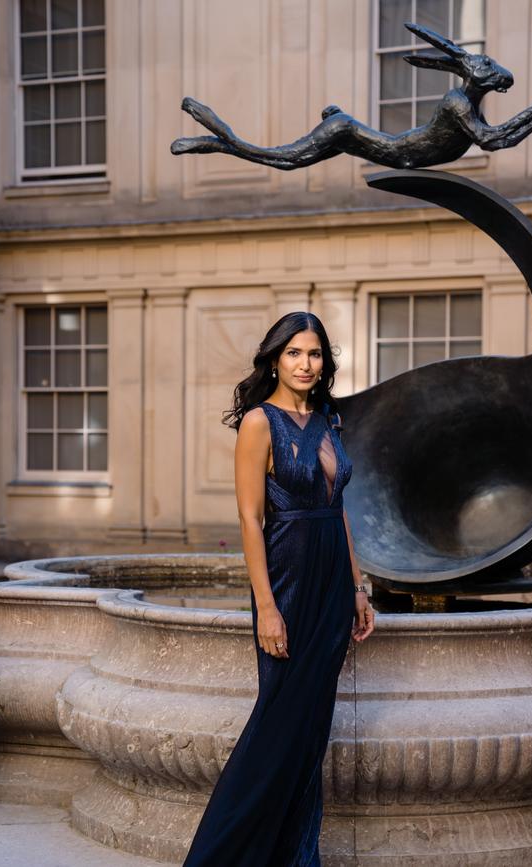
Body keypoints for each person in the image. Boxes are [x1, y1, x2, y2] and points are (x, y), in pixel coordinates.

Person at [182, 311, 375, 866]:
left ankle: (295, 856)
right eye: (294, 353)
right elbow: (249, 520)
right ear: (274, 359)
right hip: (287, 578)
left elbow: (338, 509)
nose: (306, 364)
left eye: (314, 354)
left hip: (333, 580)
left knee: (310, 732)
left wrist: (358, 587)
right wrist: (267, 608)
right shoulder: (259, 424)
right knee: (276, 728)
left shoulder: (329, 419)